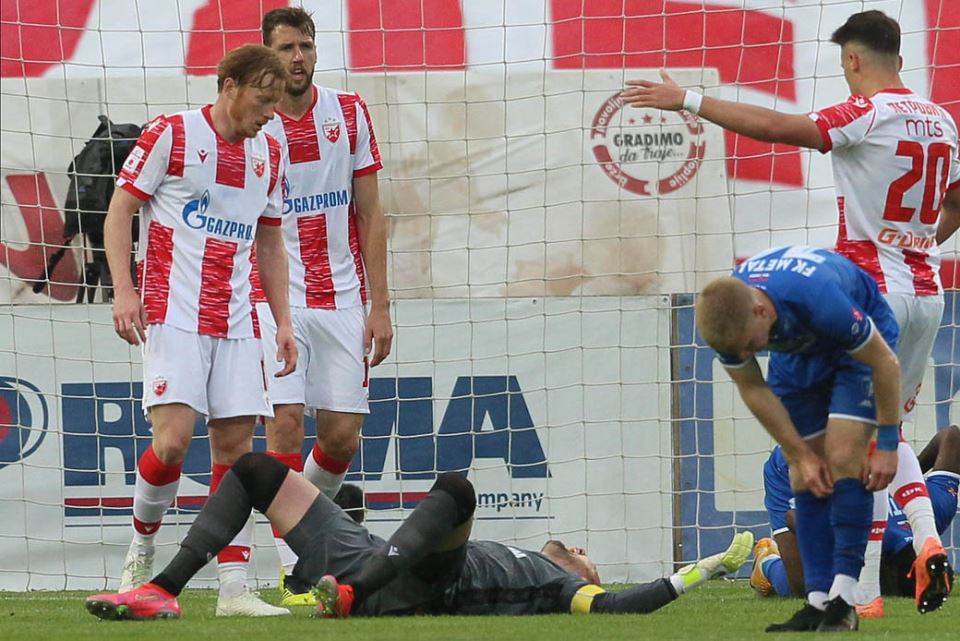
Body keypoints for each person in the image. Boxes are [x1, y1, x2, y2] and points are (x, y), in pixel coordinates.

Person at [622, 9, 960, 616]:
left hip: (870, 292)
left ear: (853, 60)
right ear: (900, 58)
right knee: (888, 431)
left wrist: (689, 99)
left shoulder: (865, 112)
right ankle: (922, 541)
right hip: (927, 292)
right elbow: (957, 199)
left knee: (849, 445)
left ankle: (856, 593)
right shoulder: (940, 120)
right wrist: (915, 244)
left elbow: (779, 128)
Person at [83, 452, 754, 620]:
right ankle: (162, 589)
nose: (577, 547)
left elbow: (621, 608)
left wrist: (706, 569)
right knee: (258, 469)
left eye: (585, 554)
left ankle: (346, 591)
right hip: (375, 559)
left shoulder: (561, 585)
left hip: (429, 583)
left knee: (458, 488)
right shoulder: (537, 553)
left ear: (585, 570)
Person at [104, 44, 298, 617]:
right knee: (172, 442)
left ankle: (234, 588)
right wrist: (123, 288)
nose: (270, 111)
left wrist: (283, 320)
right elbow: (119, 212)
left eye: (277, 101)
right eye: (263, 98)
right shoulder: (171, 134)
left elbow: (269, 241)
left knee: (237, 453)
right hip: (174, 309)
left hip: (239, 317)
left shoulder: (269, 153)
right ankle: (141, 547)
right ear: (229, 85)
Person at [253, 7, 393, 605]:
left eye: (306, 45)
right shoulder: (253, 125)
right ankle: (298, 569)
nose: (298, 57)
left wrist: (381, 305)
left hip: (343, 299)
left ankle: (310, 526)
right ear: (268, 56)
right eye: (286, 47)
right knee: (286, 423)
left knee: (341, 439)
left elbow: (371, 215)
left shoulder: (350, 112)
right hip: (274, 298)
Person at [693, 245, 902, 632]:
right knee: (802, 473)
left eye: (752, 346)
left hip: (856, 347)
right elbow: (753, 387)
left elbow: (885, 361)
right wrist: (798, 453)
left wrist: (888, 442)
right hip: (798, 351)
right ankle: (817, 602)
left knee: (841, 456)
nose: (746, 354)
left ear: (761, 311)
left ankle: (844, 600)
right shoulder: (730, 324)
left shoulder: (820, 300)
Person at [752, 426, 959, 614]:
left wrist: (906, 481)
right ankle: (769, 564)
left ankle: (767, 561)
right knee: (808, 585)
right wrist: (900, 479)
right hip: (821, 451)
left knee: (807, 585)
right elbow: (953, 437)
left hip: (823, 472)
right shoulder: (932, 508)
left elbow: (952, 436)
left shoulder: (929, 511)